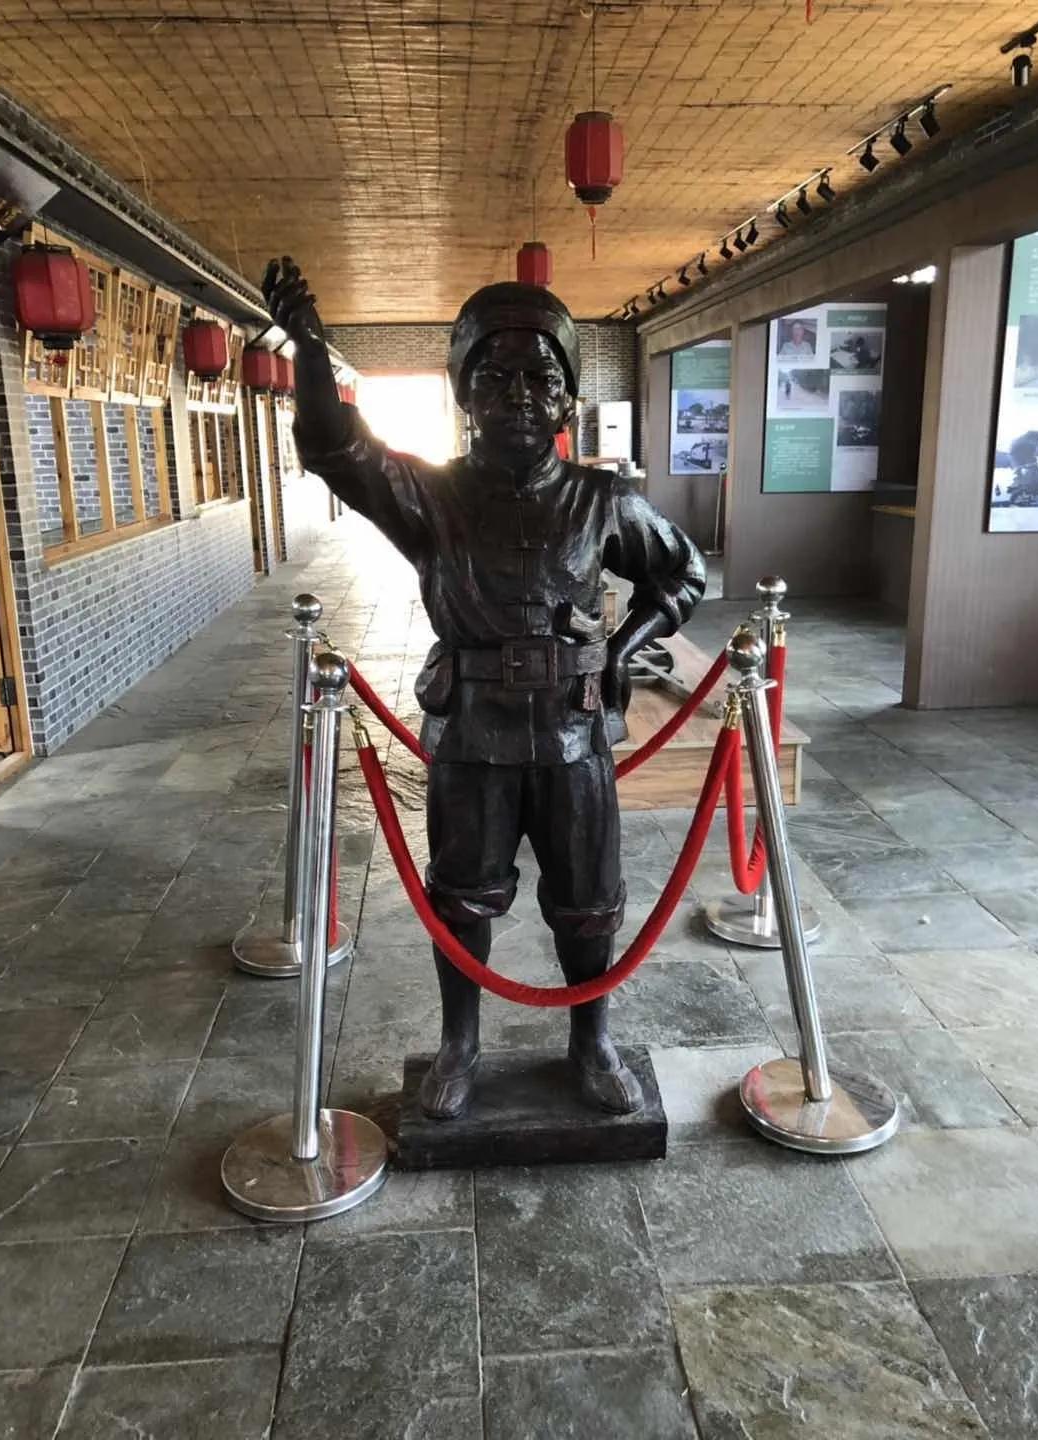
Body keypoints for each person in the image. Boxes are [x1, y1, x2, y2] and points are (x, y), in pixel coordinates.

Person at [263, 259, 707, 1120]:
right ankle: (460, 1044)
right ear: (465, 394)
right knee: (463, 897)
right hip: (471, 732)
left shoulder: (602, 500)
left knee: (588, 904)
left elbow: (682, 575)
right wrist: (311, 350)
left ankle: (593, 1041)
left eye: (541, 378)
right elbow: (335, 448)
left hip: (574, 734)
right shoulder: (429, 495)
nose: (519, 396)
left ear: (567, 400)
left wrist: (622, 648)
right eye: (495, 377)